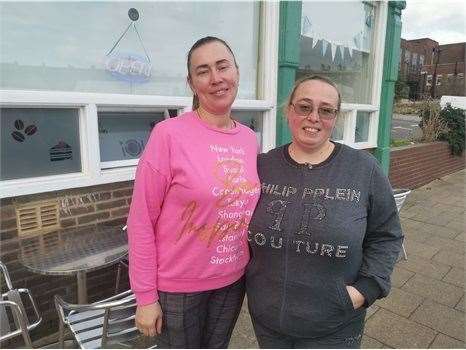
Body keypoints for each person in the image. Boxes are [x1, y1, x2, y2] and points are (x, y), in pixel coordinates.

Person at [246, 75, 403, 348]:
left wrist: (366, 289)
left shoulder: (364, 169)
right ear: (289, 111)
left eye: (326, 110)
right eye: (304, 107)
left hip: (335, 326)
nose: (314, 117)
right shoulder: (262, 166)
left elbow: (387, 236)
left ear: (336, 117)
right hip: (268, 323)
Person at [127, 36, 260, 348]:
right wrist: (145, 296)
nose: (216, 78)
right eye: (203, 71)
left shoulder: (249, 139)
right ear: (191, 82)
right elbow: (141, 220)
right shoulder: (168, 135)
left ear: (237, 72)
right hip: (178, 287)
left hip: (232, 280)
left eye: (222, 66)